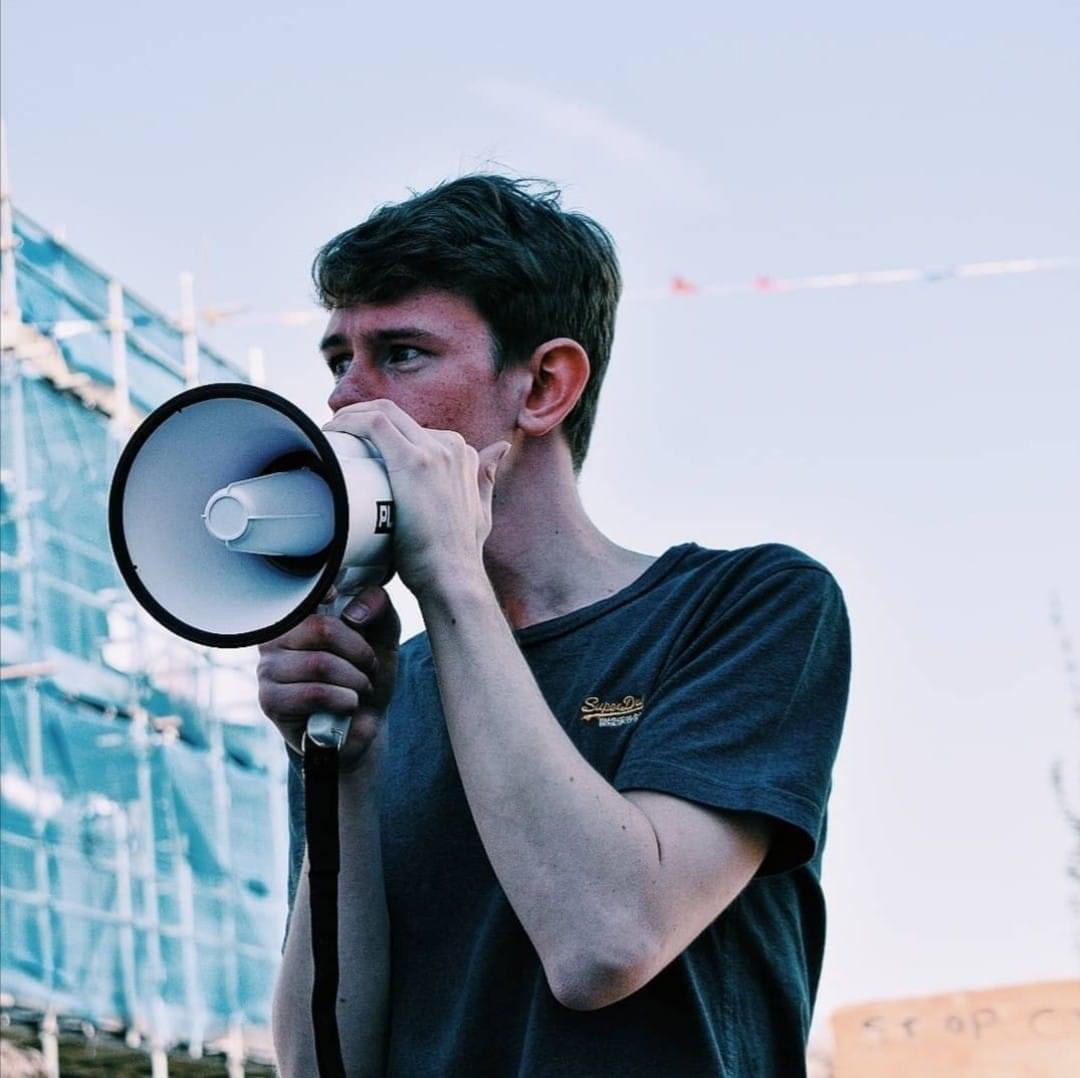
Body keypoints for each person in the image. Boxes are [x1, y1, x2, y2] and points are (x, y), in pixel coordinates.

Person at [257, 175, 851, 1077]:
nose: (347, 400)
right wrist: (351, 763)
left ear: (544, 385)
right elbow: (321, 1060)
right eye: (338, 360)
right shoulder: (386, 684)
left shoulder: (747, 606)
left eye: (403, 353)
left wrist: (452, 578)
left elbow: (606, 942)